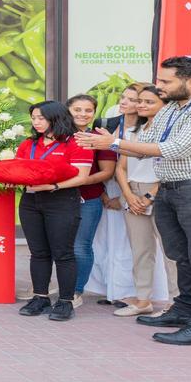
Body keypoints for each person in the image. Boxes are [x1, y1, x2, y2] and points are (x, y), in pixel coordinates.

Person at [76, 56, 191, 345]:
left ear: (190, 81)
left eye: (165, 81)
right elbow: (147, 147)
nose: (158, 86)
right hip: (171, 190)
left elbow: (175, 148)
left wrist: (114, 143)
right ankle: (184, 310)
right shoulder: (172, 108)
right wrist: (107, 144)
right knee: (180, 255)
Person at [15, 100, 95, 321]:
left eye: (41, 118)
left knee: (63, 253)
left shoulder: (76, 142)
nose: (36, 122)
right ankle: (40, 297)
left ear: (56, 118)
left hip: (61, 200)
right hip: (30, 201)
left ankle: (65, 301)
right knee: (38, 252)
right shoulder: (29, 143)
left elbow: (82, 177)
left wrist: (53, 186)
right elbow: (19, 169)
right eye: (34, 118)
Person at [111, 84, 176, 316]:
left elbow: (171, 166)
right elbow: (121, 167)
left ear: (164, 106)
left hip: (161, 191)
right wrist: (129, 195)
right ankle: (143, 300)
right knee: (140, 250)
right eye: (140, 101)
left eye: (149, 102)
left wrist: (150, 196)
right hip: (132, 192)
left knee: (171, 252)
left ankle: (175, 302)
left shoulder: (171, 132)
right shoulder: (132, 132)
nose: (141, 105)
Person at [66, 94, 118, 308]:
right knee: (57, 247)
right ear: (68, 111)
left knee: (80, 246)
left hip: (88, 199)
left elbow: (107, 172)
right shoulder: (58, 136)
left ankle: (75, 291)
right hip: (57, 199)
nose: (83, 114)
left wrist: (78, 181)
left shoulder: (100, 138)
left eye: (88, 110)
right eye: (77, 109)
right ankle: (59, 286)